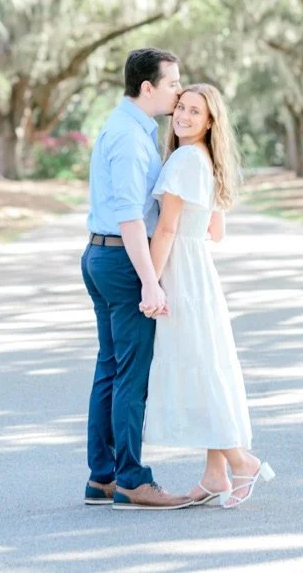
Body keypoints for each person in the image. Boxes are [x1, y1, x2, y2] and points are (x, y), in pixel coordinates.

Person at [143, 84, 275, 509]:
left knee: (197, 369)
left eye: (194, 111)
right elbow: (216, 232)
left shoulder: (183, 160)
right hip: (201, 272)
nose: (182, 115)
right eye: (180, 107)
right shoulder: (209, 162)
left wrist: (150, 280)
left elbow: (166, 229)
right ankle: (215, 473)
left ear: (209, 121)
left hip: (183, 273)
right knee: (207, 365)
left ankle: (242, 462)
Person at [80, 48, 191, 511]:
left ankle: (102, 477)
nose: (179, 92)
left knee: (110, 367)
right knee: (130, 374)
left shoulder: (129, 127)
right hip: (123, 260)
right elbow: (129, 216)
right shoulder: (129, 136)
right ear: (147, 88)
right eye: (172, 85)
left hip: (103, 256)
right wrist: (150, 281)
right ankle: (130, 478)